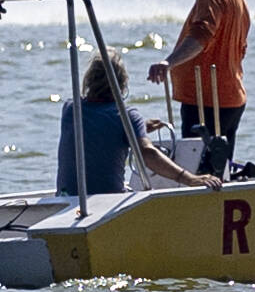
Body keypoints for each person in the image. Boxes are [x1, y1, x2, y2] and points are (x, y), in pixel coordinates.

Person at [146, 0, 249, 175]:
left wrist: (168, 62)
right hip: (230, 97)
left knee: (200, 174)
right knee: (219, 170)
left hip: (207, 101)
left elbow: (201, 36)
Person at [61, 51, 220, 196]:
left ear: (89, 80)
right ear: (122, 83)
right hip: (107, 199)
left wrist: (138, 129)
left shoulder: (70, 109)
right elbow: (147, 153)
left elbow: (98, 128)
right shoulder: (127, 116)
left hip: (68, 197)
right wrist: (189, 178)